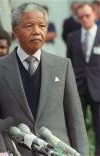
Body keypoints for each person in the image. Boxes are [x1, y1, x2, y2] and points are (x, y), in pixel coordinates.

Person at [0, 2, 89, 156]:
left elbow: (76, 120)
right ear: (15, 31)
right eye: (29, 26)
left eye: (42, 25)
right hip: (16, 151)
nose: (36, 31)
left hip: (57, 151)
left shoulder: (63, 65)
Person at [66, 3, 100, 156]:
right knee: (77, 126)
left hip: (98, 88)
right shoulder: (72, 37)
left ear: (95, 14)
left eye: (87, 15)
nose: (84, 19)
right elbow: (69, 62)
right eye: (80, 17)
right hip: (78, 88)